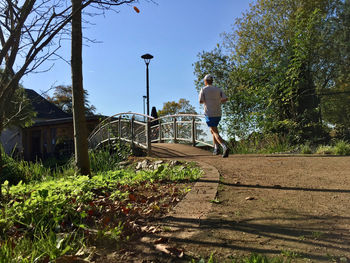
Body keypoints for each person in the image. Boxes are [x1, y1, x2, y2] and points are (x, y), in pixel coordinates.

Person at [199, 74, 229, 158]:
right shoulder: (218, 89)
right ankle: (216, 149)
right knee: (213, 130)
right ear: (212, 81)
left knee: (214, 131)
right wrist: (218, 101)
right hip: (218, 113)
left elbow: (201, 101)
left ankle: (224, 146)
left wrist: (208, 101)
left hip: (209, 113)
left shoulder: (203, 89)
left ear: (205, 81)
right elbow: (225, 98)